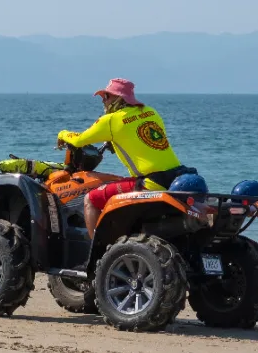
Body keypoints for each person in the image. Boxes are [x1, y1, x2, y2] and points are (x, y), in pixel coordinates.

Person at [57, 78, 192, 237]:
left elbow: (79, 140)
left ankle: (97, 253)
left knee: (91, 199)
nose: (103, 101)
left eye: (106, 96)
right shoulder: (150, 111)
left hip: (151, 182)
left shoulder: (111, 121)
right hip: (176, 176)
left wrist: (62, 134)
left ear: (119, 98)